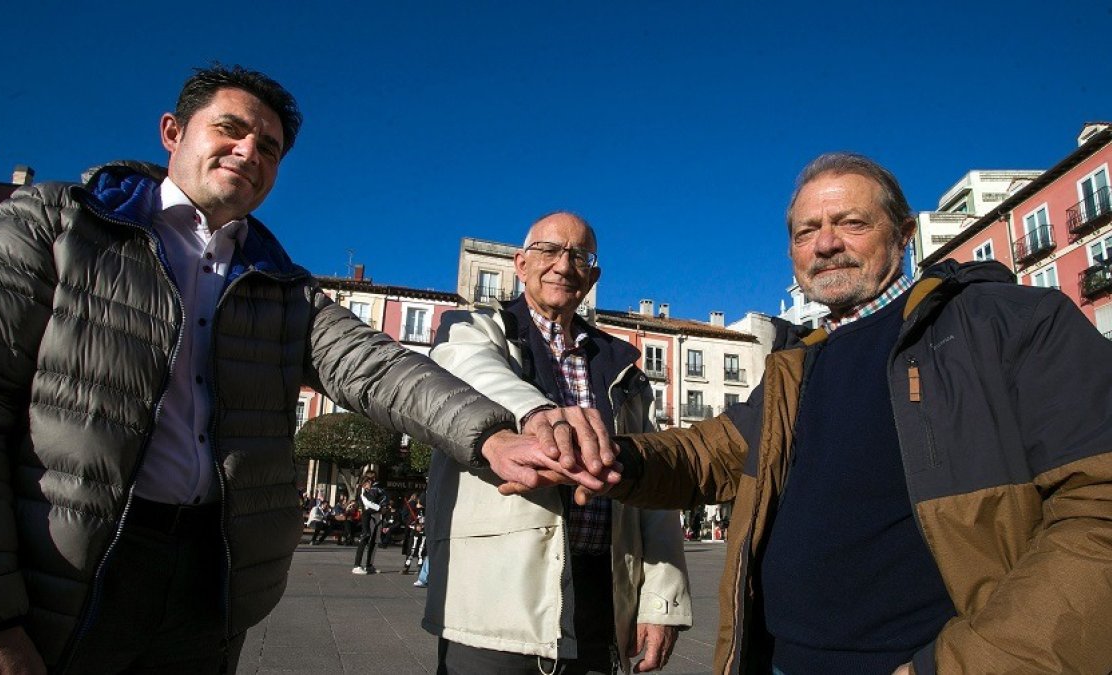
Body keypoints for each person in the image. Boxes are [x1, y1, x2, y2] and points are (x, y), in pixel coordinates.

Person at [0, 64, 603, 674]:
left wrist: (492, 434)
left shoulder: (278, 283)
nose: (249, 151)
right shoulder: (58, 225)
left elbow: (380, 368)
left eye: (268, 147)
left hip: (206, 585)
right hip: (58, 575)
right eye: (231, 130)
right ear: (173, 132)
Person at [522, 153, 1112, 674]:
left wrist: (958, 666)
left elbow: (1099, 516)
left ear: (905, 234)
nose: (826, 243)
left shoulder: (1011, 324)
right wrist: (610, 454)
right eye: (807, 231)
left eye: (851, 223)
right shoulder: (795, 368)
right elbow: (708, 453)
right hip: (782, 659)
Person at [426, 212, 692, 674]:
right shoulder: (475, 329)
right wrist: (538, 413)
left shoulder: (622, 367)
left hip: (602, 596)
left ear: (593, 276)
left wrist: (661, 599)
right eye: (549, 251)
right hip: (496, 600)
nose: (564, 265)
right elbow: (466, 367)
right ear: (520, 264)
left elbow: (654, 485)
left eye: (579, 256)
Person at [352, 473, 389, 574]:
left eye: (372, 479)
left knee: (375, 541)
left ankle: (369, 565)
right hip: (368, 516)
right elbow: (367, 503)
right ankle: (357, 565)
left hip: (377, 516)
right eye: (369, 479)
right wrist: (380, 508)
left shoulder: (375, 490)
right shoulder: (362, 491)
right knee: (365, 537)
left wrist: (383, 507)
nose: (371, 481)